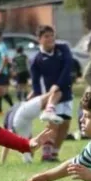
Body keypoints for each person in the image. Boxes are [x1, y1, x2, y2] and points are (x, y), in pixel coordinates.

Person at [31, 25, 76, 161]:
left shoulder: (63, 49)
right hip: (51, 97)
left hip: (66, 93)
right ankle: (46, 153)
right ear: (39, 39)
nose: (50, 39)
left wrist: (58, 84)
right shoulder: (36, 59)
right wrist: (40, 99)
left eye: (52, 35)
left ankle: (55, 152)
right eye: (46, 36)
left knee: (65, 124)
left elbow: (68, 67)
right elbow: (35, 82)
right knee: (52, 125)